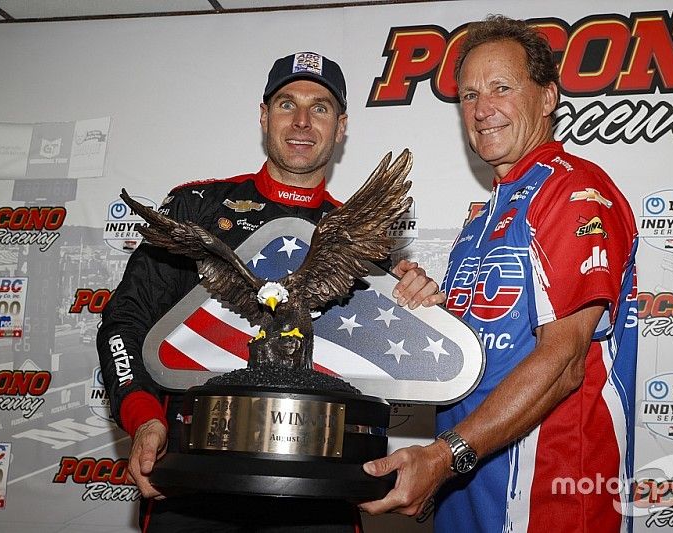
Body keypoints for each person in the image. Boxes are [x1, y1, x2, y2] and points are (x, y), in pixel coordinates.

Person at [98, 51, 441, 532]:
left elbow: (388, 361)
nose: (302, 121)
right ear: (264, 116)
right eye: (286, 104)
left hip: (317, 495)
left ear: (341, 126)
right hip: (193, 487)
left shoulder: (365, 242)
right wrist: (143, 417)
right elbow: (124, 322)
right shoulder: (196, 207)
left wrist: (415, 300)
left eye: (320, 107)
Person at [360, 15, 639, 532]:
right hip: (468, 493)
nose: (482, 109)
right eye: (468, 96)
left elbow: (565, 361)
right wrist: (426, 310)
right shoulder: (483, 219)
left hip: (548, 503)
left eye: (501, 88)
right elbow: (485, 351)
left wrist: (443, 458)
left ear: (548, 96)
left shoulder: (572, 192)